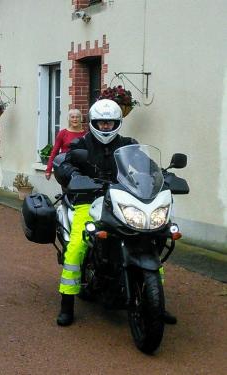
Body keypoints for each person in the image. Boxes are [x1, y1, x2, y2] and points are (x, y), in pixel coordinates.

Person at [56, 99, 177, 327]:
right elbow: (66, 164)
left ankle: (157, 304)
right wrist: (74, 176)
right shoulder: (81, 144)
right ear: (93, 123)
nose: (105, 127)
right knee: (78, 244)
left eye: (110, 123)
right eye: (101, 123)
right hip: (89, 200)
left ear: (117, 123)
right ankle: (67, 304)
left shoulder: (128, 144)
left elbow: (146, 166)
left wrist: (162, 176)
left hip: (121, 198)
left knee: (151, 238)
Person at [45, 109, 87, 180]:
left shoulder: (86, 134)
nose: (75, 119)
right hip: (66, 167)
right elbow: (54, 152)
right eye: (72, 117)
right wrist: (48, 169)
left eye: (77, 117)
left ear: (81, 118)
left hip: (82, 168)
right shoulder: (63, 133)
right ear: (68, 119)